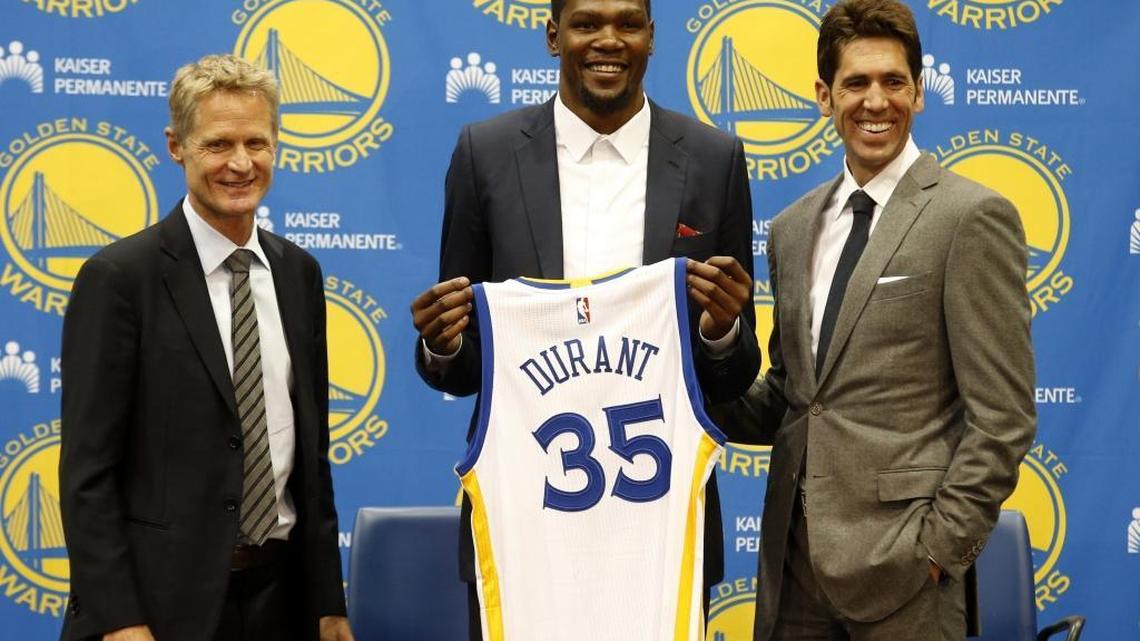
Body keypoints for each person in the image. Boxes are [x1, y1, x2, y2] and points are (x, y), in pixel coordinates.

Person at [410, 0, 760, 636]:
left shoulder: (715, 159)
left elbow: (734, 375)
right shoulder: (483, 154)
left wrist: (720, 332)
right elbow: (462, 369)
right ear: (552, 36)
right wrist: (441, 344)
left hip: (662, 529)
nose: (609, 40)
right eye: (587, 23)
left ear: (652, 37)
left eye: (628, 23)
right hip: (524, 524)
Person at [711, 1, 1037, 639]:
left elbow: (1004, 417)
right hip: (793, 570)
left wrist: (938, 550)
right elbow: (794, 399)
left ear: (919, 91)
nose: (875, 100)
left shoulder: (971, 217)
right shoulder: (792, 228)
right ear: (823, 95)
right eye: (856, 82)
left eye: (893, 81)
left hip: (909, 578)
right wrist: (691, 370)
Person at [59, 54, 352, 641]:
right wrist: (119, 620)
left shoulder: (300, 273)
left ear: (276, 145)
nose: (240, 163)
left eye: (256, 142)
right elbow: (88, 473)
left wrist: (327, 603)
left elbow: (310, 461)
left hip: (283, 601)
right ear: (177, 146)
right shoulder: (120, 279)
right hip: (160, 610)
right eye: (218, 144)